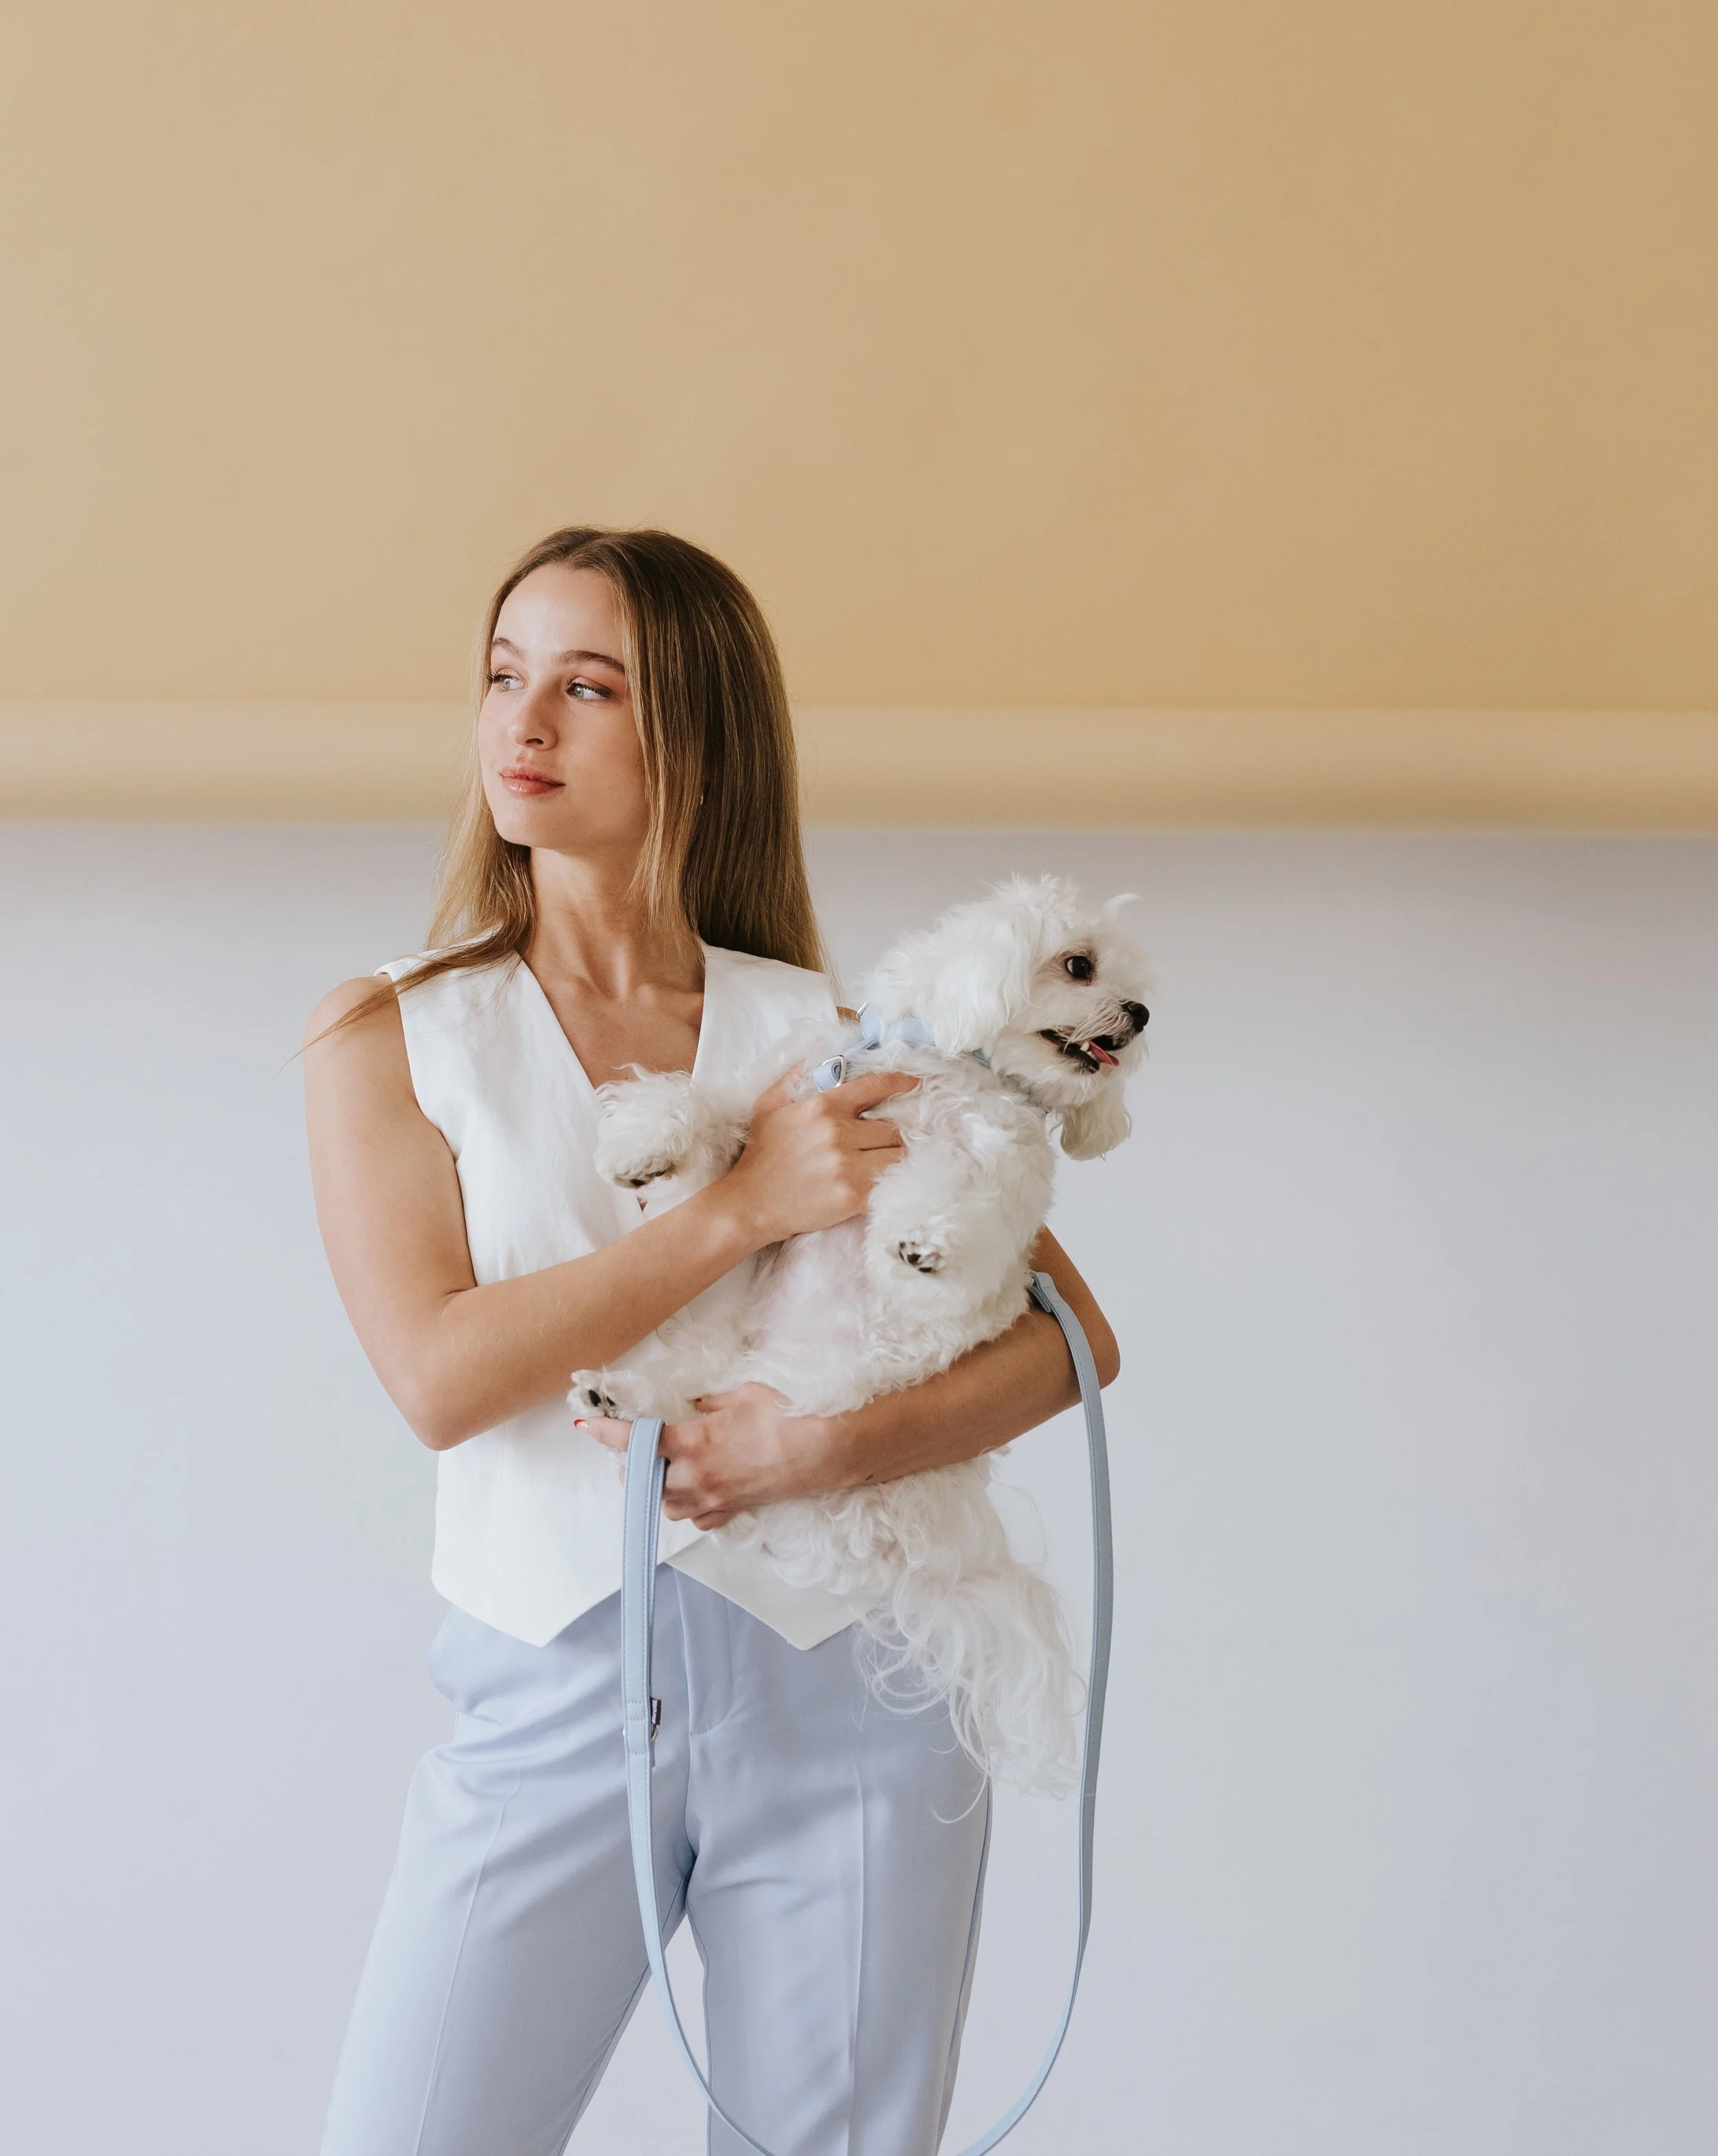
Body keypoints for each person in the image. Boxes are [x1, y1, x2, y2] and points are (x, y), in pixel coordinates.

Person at [304, 526, 1119, 2156]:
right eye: (503, 675)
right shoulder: (395, 1030)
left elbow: (1070, 1341)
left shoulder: (821, 1026)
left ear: (692, 730)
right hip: (554, 1693)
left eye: (587, 686)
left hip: (857, 1694)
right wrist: (739, 1207)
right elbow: (439, 1377)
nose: (524, 721)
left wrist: (818, 1448)